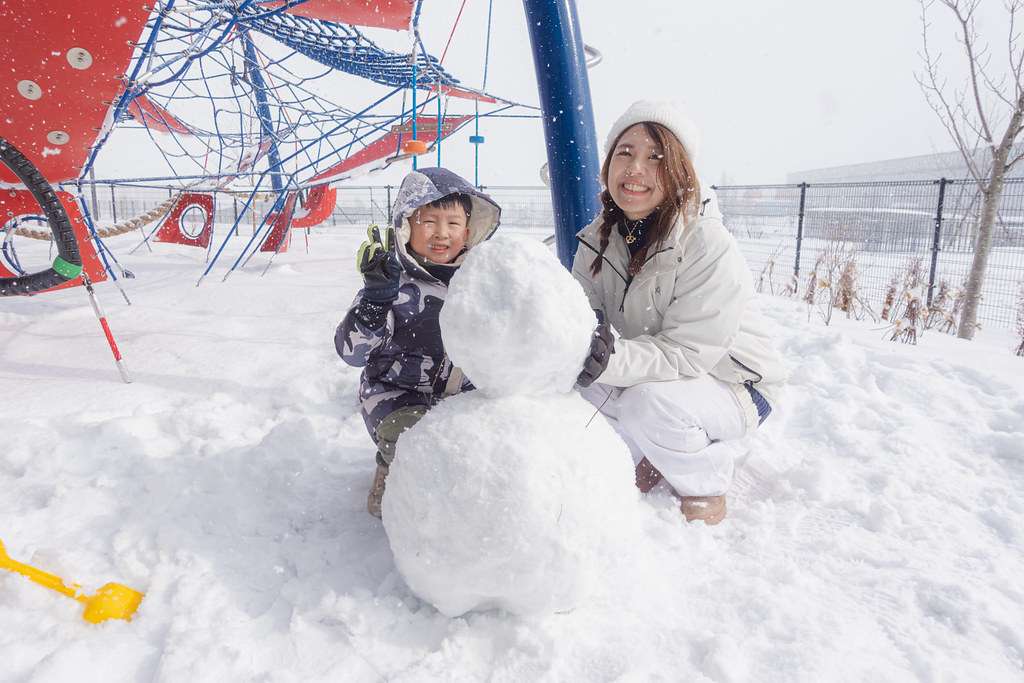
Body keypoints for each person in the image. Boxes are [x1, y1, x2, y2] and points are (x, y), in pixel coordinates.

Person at [571, 100, 786, 525]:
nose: (636, 170)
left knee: (646, 406)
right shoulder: (597, 238)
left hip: (735, 382)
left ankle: (705, 480)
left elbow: (687, 354)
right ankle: (646, 455)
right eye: (625, 153)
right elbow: (582, 313)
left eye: (656, 158)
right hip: (658, 369)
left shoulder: (706, 243)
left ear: (680, 174)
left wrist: (607, 359)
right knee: (575, 397)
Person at [336, 167, 501, 518]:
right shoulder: (390, 284)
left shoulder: (482, 284)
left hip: (465, 396)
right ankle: (393, 483)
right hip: (396, 395)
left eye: (453, 224)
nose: (442, 233)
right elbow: (352, 353)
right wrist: (374, 304)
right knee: (414, 439)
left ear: (469, 232)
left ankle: (472, 506)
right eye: (429, 222)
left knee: (486, 443)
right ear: (406, 226)